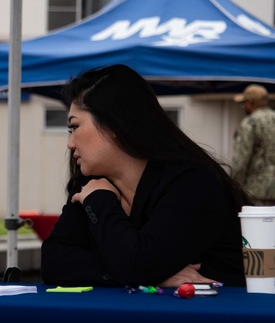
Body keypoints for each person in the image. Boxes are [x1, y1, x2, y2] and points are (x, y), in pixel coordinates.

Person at [41, 64, 248, 288]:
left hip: (213, 317)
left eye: (75, 127)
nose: (70, 144)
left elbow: (136, 265)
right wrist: (152, 275)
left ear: (114, 125)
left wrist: (101, 201)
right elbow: (53, 262)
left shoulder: (191, 184)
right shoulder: (90, 184)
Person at [231, 84, 275, 270]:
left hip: (257, 190)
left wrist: (234, 188)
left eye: (245, 103)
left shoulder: (250, 123)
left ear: (252, 103)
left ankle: (260, 277)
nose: (244, 107)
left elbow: (241, 161)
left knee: (257, 238)